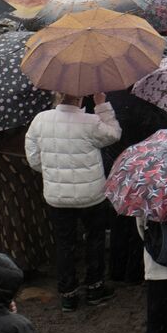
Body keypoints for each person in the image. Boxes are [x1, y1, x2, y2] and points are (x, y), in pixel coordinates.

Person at [25, 92, 121, 312]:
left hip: (57, 196)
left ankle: (68, 294)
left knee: (64, 243)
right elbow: (114, 134)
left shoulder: (40, 120)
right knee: (94, 240)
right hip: (92, 195)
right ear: (80, 97)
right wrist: (101, 105)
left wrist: (52, 171)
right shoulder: (91, 122)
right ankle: (95, 287)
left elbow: (33, 158)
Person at [0, 127, 54, 277]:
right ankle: (24, 260)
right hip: (23, 192)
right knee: (22, 218)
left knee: (6, 215)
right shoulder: (22, 139)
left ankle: (0, 253)